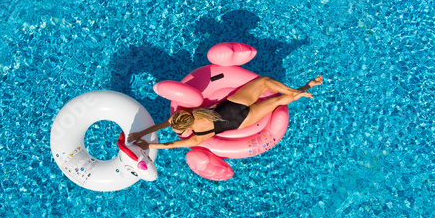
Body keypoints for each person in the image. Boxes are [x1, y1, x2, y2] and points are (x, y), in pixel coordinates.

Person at [128, 76, 323, 149]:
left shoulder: (197, 137)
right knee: (264, 82)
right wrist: (141, 133)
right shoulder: (189, 113)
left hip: (240, 120)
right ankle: (301, 87)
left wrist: (148, 145)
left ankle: (307, 87)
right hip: (232, 104)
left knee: (278, 101)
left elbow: (171, 144)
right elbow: (163, 124)